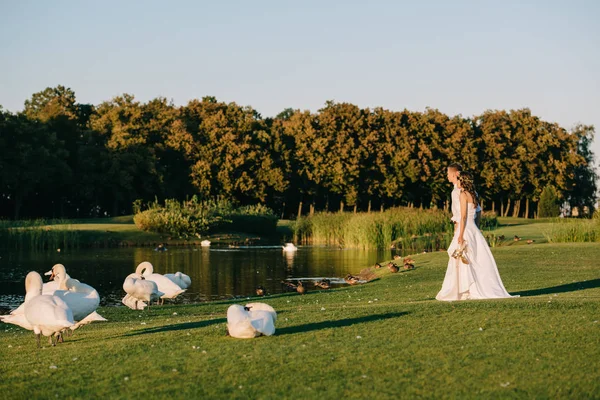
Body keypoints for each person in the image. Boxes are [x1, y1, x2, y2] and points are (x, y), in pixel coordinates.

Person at [436, 171, 517, 301]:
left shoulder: (463, 195)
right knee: (474, 260)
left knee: (463, 259)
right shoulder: (474, 195)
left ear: (463, 181)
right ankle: (468, 289)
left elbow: (462, 216)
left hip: (466, 229)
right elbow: (477, 213)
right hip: (474, 230)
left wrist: (460, 234)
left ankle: (465, 290)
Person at [446, 163, 481, 228]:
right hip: (472, 226)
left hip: (461, 226)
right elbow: (478, 211)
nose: (447, 176)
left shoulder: (456, 192)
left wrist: (457, 230)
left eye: (448, 173)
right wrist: (476, 228)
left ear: (454, 174)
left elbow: (459, 214)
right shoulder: (472, 191)